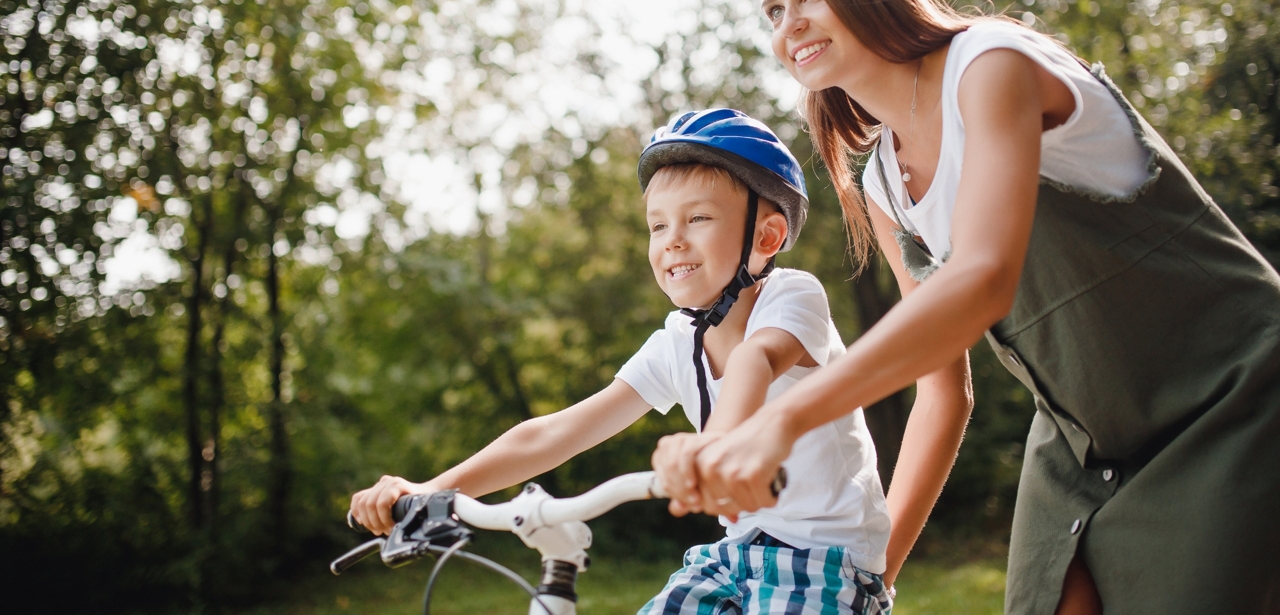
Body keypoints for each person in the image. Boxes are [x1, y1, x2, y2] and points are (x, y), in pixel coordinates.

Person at [651, 0, 1280, 615]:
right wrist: (872, 576)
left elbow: (982, 279)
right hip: (1084, 444)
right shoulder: (884, 181)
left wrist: (782, 422)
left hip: (1231, 399)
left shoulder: (989, 64)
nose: (788, 23)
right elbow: (942, 389)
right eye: (771, 10)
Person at [350, 109, 895, 615]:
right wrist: (433, 490)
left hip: (826, 563)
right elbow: (554, 433)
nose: (672, 241)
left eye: (697, 218)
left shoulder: (792, 296)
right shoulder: (677, 340)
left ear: (766, 236)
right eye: (657, 226)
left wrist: (710, 448)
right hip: (736, 556)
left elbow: (757, 359)